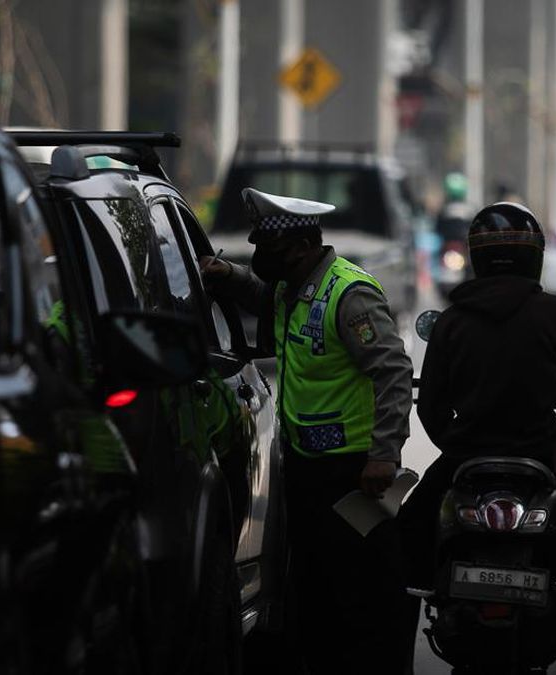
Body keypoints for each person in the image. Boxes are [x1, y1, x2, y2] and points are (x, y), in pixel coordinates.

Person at [199, 187, 414, 675]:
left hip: (355, 476)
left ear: (297, 248)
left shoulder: (349, 293)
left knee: (364, 598)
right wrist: (227, 276)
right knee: (315, 591)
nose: (257, 258)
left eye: (265, 250)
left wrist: (384, 455)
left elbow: (393, 372)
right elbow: (264, 295)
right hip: (307, 472)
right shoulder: (292, 287)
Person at [398, 202, 556, 666]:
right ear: (534, 255)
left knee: (406, 533)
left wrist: (459, 448)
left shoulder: (453, 320)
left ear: (476, 256)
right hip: (542, 449)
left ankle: (404, 619)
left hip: (468, 455)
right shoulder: (554, 314)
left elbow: (431, 405)